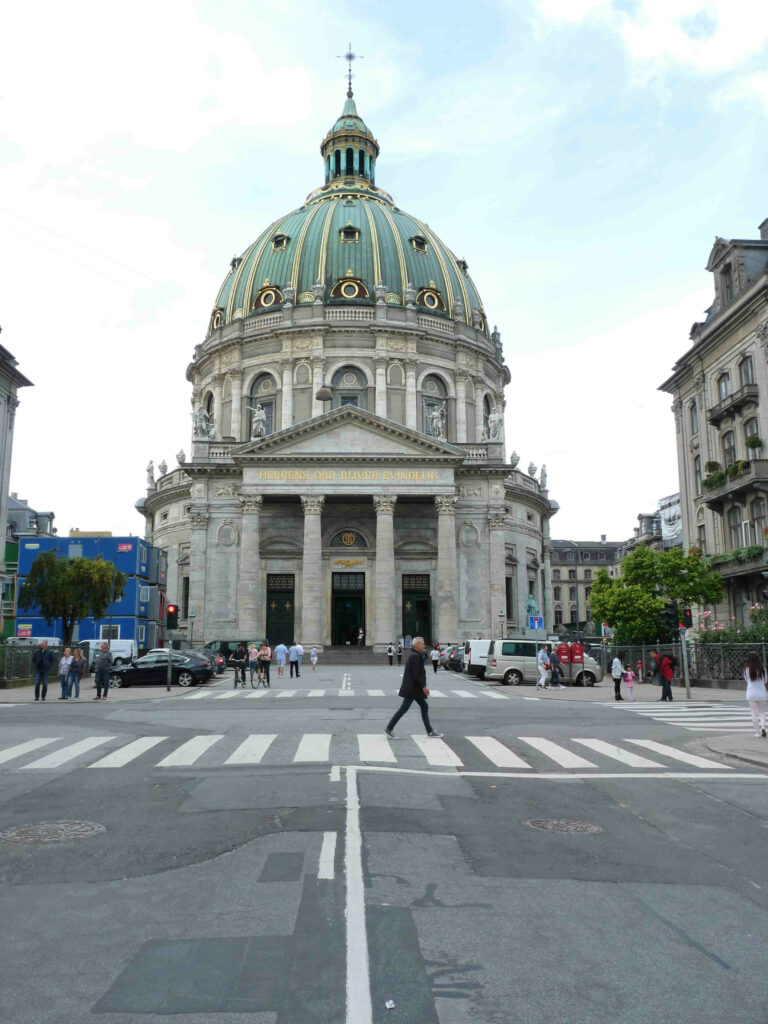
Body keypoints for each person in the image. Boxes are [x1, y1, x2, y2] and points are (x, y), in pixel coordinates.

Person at [384, 636, 442, 739]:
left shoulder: (415, 655)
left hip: (414, 688)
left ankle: (430, 731)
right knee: (404, 709)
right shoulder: (415, 656)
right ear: (416, 645)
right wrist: (424, 686)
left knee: (424, 706)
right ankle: (389, 729)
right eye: (422, 643)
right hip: (412, 688)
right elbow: (416, 674)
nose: (424, 645)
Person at [744, 651, 767, 738]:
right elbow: (765, 681)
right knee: (762, 712)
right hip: (761, 692)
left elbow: (746, 680)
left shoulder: (747, 669)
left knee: (754, 712)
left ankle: (757, 732)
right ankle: (763, 727)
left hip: (751, 693)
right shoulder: (762, 669)